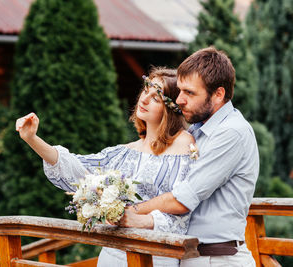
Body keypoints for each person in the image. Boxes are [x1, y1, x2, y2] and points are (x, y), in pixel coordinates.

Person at [16, 67, 195, 266]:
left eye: (156, 98)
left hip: (156, 256)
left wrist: (144, 220)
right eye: (146, 90)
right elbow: (77, 168)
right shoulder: (123, 153)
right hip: (112, 255)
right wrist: (32, 139)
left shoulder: (184, 151)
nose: (144, 99)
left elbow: (185, 213)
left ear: (171, 109)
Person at [130, 47, 259, 266]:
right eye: (179, 91)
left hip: (217, 259)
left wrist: (131, 211)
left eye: (189, 93)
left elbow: (183, 199)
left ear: (218, 94)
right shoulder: (196, 131)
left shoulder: (231, 132)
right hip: (191, 256)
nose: (179, 100)